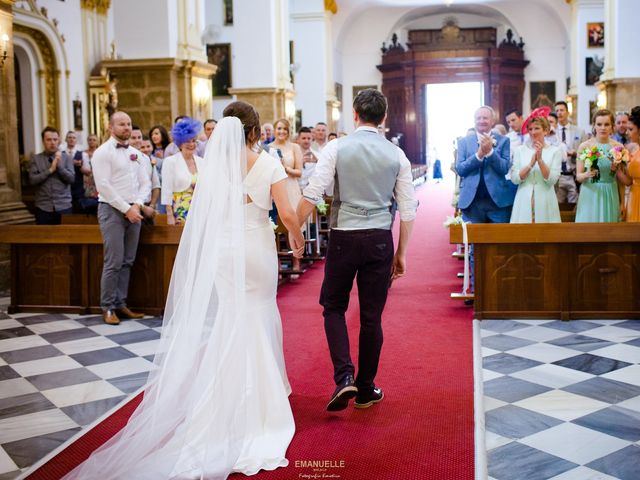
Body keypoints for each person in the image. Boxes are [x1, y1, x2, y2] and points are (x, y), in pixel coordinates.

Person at [63, 102, 304, 480]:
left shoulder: (213, 168)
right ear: (255, 130)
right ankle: (263, 394)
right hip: (256, 246)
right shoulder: (267, 162)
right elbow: (286, 213)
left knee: (232, 314)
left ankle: (227, 393)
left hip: (225, 249)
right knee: (259, 310)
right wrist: (295, 234)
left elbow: (202, 215)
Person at [296, 89, 418, 411]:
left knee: (333, 307)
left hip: (343, 237)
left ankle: (344, 378)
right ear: (384, 117)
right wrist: (401, 253)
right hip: (379, 238)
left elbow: (313, 193)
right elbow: (408, 209)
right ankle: (365, 390)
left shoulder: (337, 147)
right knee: (371, 317)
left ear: (354, 114)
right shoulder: (397, 155)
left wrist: (295, 232)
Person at [91, 112, 153, 325]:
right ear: (111, 127)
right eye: (121, 124)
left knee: (127, 261)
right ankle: (107, 307)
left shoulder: (135, 154)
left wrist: (137, 204)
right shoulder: (102, 153)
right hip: (111, 210)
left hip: (134, 210)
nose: (126, 128)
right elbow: (104, 187)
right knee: (114, 261)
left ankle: (121, 303)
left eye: (128, 124)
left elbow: (145, 183)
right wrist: (127, 208)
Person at [456, 106, 515, 294]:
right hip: (472, 203)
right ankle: (476, 290)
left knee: (499, 247)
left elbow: (505, 168)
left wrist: (490, 153)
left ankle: (498, 289)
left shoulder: (504, 141)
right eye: (478, 118)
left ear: (492, 120)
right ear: (474, 120)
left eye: (485, 118)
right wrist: (479, 155)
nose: (482, 121)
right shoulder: (464, 142)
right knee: (474, 249)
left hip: (498, 203)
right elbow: (461, 169)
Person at [509, 107, 562, 223]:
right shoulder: (519, 150)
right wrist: (531, 164)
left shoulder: (555, 151)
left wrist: (540, 161)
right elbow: (515, 179)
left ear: (546, 131)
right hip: (523, 199)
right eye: (530, 129)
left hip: (546, 199)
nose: (533, 132)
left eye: (537, 128)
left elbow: (552, 180)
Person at [575, 109, 626, 222]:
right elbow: (578, 177)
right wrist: (587, 174)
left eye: (606, 124)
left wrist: (622, 202)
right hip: (590, 192)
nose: (603, 128)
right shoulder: (584, 146)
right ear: (594, 126)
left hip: (610, 193)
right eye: (599, 124)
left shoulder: (618, 147)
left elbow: (621, 181)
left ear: (612, 126)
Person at [29, 126, 75, 225]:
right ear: (43, 141)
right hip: (43, 207)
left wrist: (59, 167)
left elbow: (71, 179)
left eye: (55, 139)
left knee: (66, 239)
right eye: (49, 140)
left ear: (59, 141)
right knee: (44, 239)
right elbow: (32, 180)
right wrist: (50, 170)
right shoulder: (36, 159)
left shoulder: (66, 158)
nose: (52, 142)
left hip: (64, 206)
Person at [161, 118, 204, 225]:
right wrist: (169, 215)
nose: (191, 144)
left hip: (200, 209)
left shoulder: (202, 162)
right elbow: (166, 189)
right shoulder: (170, 161)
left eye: (193, 141)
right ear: (180, 144)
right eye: (187, 141)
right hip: (180, 211)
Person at [555, 101, 585, 204]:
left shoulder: (579, 131)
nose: (559, 113)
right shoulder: (551, 132)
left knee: (576, 206)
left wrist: (576, 153)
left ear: (567, 113)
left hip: (573, 174)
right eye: (557, 111)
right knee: (557, 206)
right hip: (558, 175)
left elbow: (586, 153)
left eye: (562, 110)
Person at [621, 106, 640, 222]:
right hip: (633, 195)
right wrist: (617, 169)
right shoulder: (635, 150)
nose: (627, 132)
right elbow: (628, 181)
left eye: (631, 129)